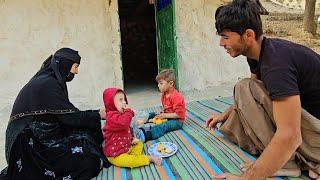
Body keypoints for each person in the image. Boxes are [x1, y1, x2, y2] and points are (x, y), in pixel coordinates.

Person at [208, 1, 320, 179]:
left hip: (315, 133)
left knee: (244, 88)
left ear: (248, 35)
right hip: (306, 121)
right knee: (242, 98)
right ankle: (291, 160)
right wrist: (224, 114)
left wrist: (246, 178)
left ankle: (292, 161)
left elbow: (290, 135)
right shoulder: (258, 54)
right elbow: (252, 95)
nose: (221, 43)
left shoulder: (276, 65)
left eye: (226, 37)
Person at [0, 48, 110, 180]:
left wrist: (95, 115)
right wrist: (98, 114)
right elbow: (70, 118)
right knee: (89, 161)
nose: (76, 71)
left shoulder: (50, 81)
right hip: (26, 146)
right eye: (75, 67)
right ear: (65, 65)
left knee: (87, 137)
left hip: (41, 135)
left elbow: (67, 114)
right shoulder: (47, 85)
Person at [102, 88, 162, 168]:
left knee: (139, 143)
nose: (124, 102)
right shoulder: (111, 117)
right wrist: (129, 111)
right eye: (120, 100)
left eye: (124, 100)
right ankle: (148, 159)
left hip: (125, 146)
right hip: (116, 154)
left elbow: (127, 129)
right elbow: (124, 123)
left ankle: (135, 157)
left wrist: (132, 138)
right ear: (111, 103)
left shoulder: (121, 114)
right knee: (130, 161)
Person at [140, 69, 186, 142]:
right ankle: (142, 119)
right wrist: (162, 113)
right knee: (154, 114)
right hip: (168, 116)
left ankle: (146, 135)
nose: (158, 85)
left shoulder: (177, 97)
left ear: (171, 84)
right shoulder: (164, 94)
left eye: (161, 83)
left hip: (177, 121)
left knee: (163, 126)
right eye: (158, 83)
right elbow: (167, 108)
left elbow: (179, 114)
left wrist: (164, 115)